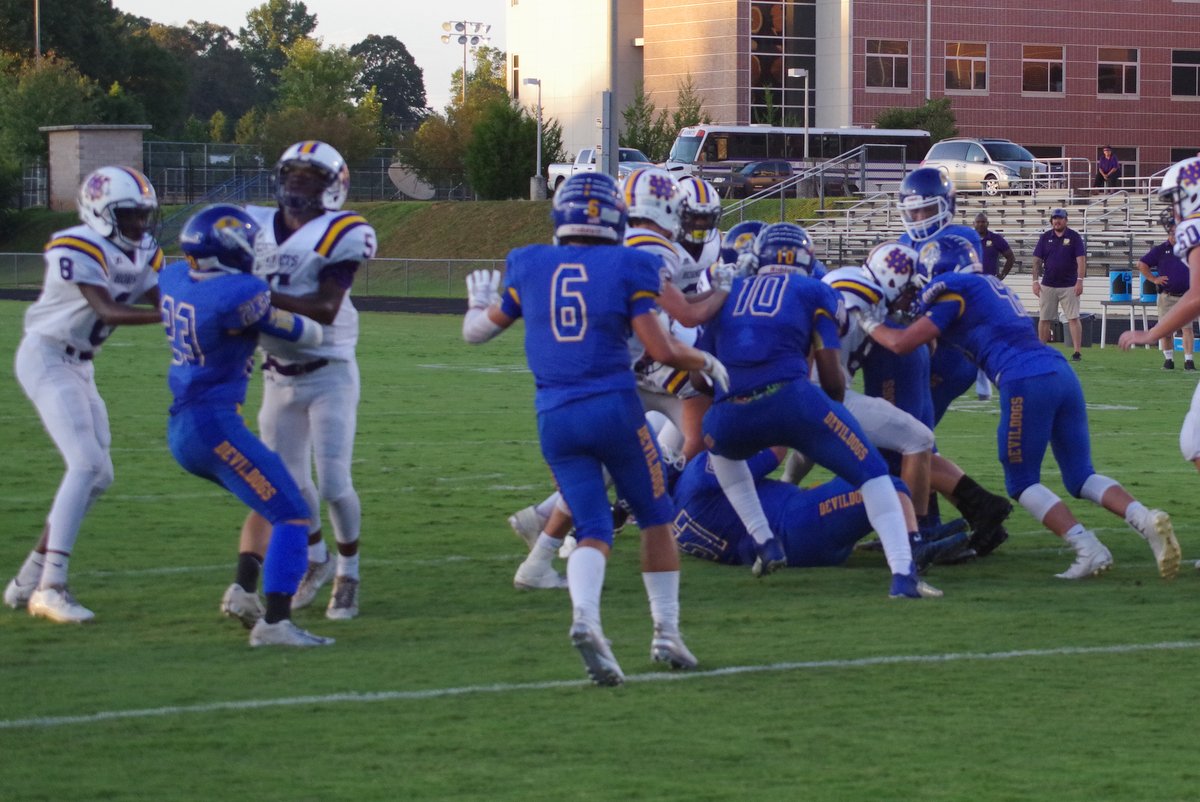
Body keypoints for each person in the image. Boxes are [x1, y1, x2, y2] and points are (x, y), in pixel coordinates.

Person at [463, 172, 730, 686]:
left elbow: (476, 334)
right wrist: (706, 362)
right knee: (655, 515)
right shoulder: (631, 265)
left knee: (592, 528)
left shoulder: (529, 262)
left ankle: (586, 618)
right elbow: (661, 348)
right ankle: (666, 631)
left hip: (553, 417)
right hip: (612, 409)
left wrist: (478, 303)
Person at [862, 242, 1181, 581]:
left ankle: (1088, 548)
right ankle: (1144, 519)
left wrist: (866, 321)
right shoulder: (991, 286)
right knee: (1081, 475)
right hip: (1060, 371)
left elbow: (902, 342)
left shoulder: (952, 290)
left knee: (1022, 481)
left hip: (1024, 379)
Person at [696, 222, 940, 599]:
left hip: (729, 409)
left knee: (723, 452)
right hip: (793, 398)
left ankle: (765, 541)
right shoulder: (814, 290)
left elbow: (699, 378)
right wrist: (828, 408)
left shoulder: (727, 292)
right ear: (806, 260)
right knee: (875, 475)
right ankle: (903, 575)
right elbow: (830, 378)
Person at [158, 205, 333, 647]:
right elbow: (306, 333)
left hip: (185, 424)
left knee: (270, 498)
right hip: (212, 425)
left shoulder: (175, 278)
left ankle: (242, 590)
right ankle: (276, 623)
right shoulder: (237, 294)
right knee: (293, 512)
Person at [3, 167, 164, 624]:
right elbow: (107, 309)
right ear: (99, 211)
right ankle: (51, 588)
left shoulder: (145, 252)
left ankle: (27, 580)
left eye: (143, 215)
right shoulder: (78, 245)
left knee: (100, 474)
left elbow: (165, 298)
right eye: (129, 215)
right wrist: (171, 316)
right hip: (48, 356)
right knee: (86, 464)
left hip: (81, 364)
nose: (139, 224)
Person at [240, 140, 377, 621]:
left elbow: (325, 307)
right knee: (290, 485)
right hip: (276, 374)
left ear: (332, 188)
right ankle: (316, 558)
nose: (298, 186)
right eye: (292, 176)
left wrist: (256, 297)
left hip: (328, 371)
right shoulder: (251, 225)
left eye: (310, 178)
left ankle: (349, 572)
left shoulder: (343, 231)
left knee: (335, 484)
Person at [673, 448, 966, 572]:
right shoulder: (698, 474)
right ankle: (915, 544)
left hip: (786, 545)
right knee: (885, 483)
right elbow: (774, 452)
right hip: (796, 524)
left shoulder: (674, 524)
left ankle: (918, 533)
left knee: (867, 482)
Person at [1120, 156, 1200, 473]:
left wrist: (1151, 333)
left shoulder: (1194, 226)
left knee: (1194, 441)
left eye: (1176, 198)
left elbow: (1196, 295)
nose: (1173, 209)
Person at [1135, 210, 1193, 370]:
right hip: (1167, 296)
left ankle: (1189, 361)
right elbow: (1142, 264)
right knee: (1167, 330)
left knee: (1187, 328)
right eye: (1173, 233)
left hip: (1186, 296)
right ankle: (1169, 360)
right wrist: (1154, 279)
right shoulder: (1161, 250)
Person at [1032, 207, 1087, 361]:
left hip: (1069, 285)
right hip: (1048, 284)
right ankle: (1042, 350)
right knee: (1044, 318)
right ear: (1051, 221)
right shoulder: (1045, 237)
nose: (1057, 221)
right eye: (1055, 218)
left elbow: (1081, 260)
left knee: (1073, 318)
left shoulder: (1074, 237)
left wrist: (1080, 281)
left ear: (1066, 220)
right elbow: (1036, 261)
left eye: (1060, 218)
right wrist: (1035, 281)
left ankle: (1077, 351)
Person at [971, 212, 1015, 399]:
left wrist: (1001, 276)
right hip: (972, 287)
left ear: (987, 223)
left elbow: (1010, 257)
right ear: (974, 223)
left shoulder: (995, 239)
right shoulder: (969, 239)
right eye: (978, 222)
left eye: (983, 222)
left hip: (989, 287)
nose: (981, 224)